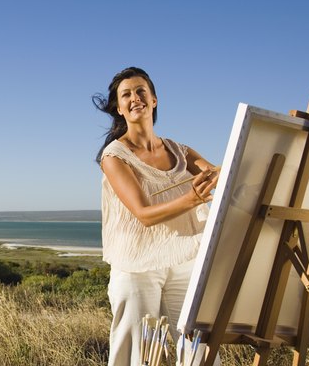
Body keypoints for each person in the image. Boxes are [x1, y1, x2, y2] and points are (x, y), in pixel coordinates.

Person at [93, 67, 220, 366]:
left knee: (199, 351)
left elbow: (218, 178)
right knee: (135, 356)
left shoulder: (180, 150)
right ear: (119, 108)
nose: (135, 98)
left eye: (141, 91)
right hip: (137, 266)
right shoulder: (114, 156)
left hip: (183, 261)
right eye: (126, 95)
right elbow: (143, 214)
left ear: (154, 100)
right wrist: (191, 198)